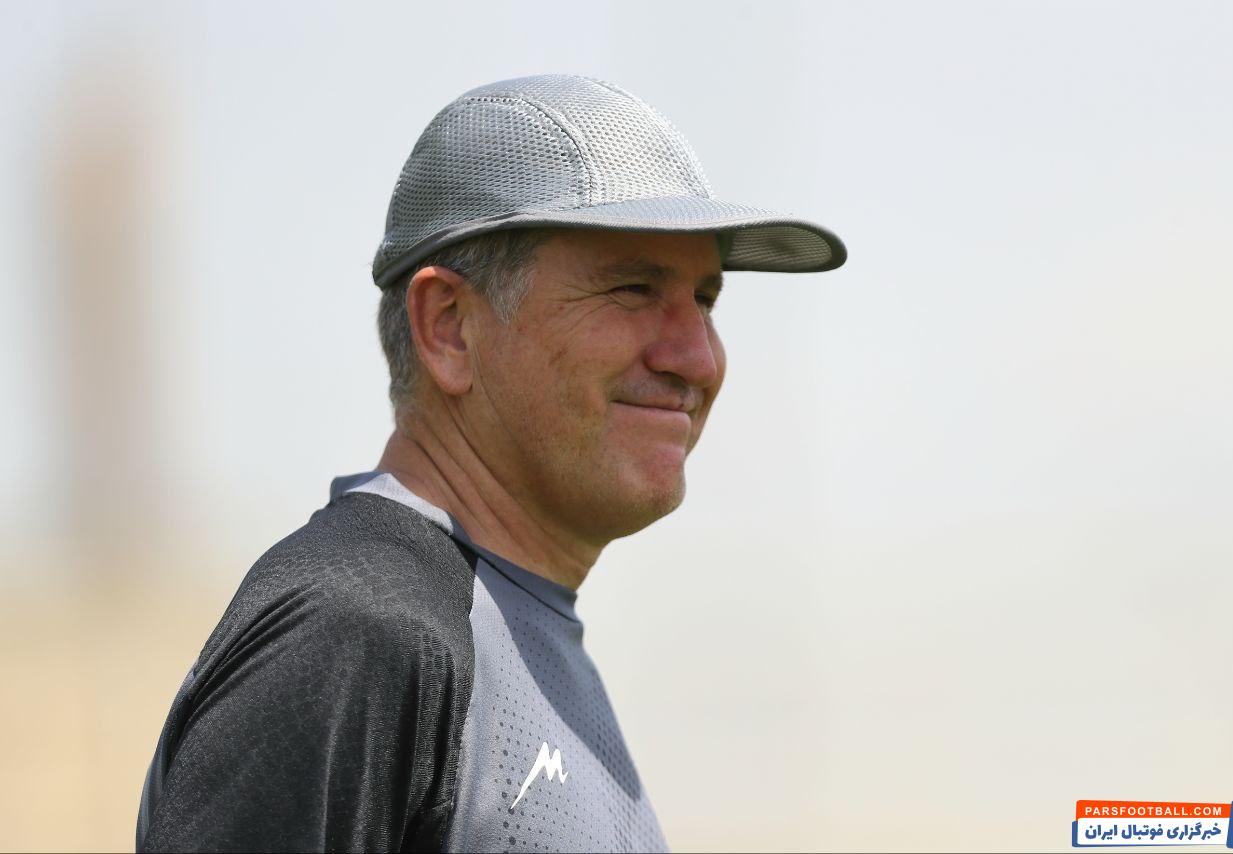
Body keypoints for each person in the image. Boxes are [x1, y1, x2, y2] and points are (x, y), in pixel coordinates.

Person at [135, 73, 846, 853]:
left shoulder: (501, 628)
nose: (697, 358)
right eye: (633, 288)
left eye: (705, 300)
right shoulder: (360, 629)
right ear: (449, 327)